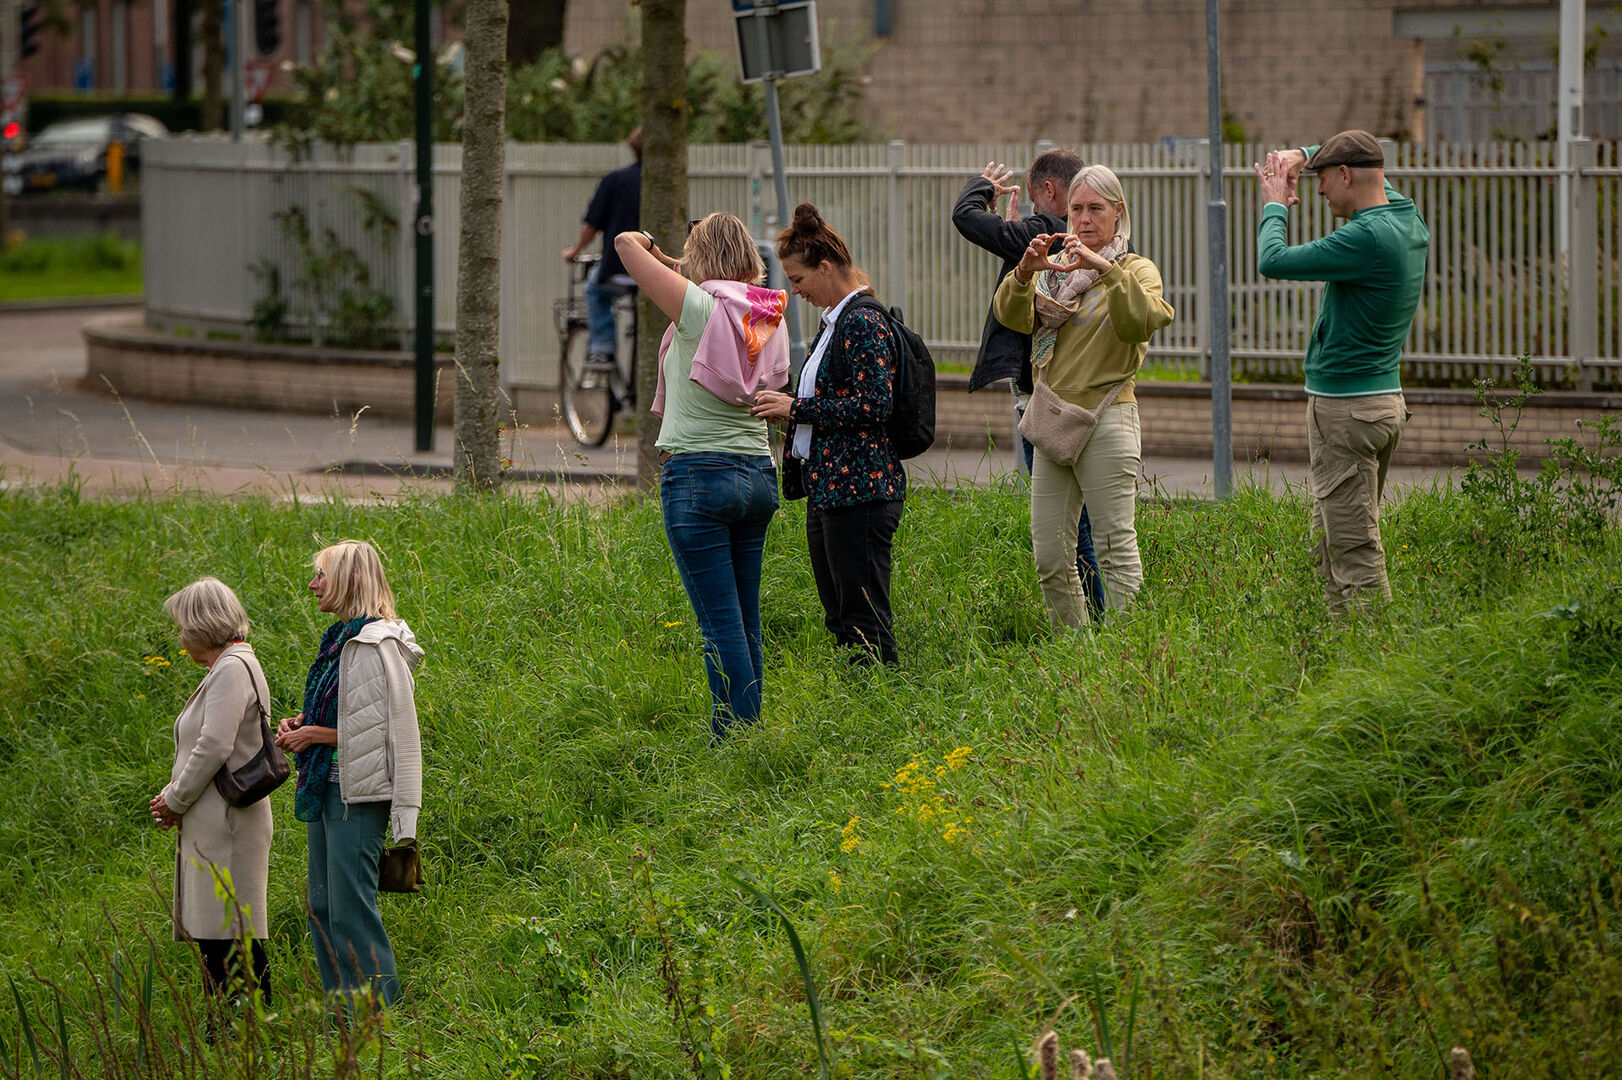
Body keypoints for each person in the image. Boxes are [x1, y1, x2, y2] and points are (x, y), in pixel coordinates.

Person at [614, 213, 790, 740]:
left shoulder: (698, 310)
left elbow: (624, 242)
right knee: (744, 621)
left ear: (702, 258)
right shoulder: (766, 315)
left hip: (699, 478)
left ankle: (734, 737)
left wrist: (654, 245)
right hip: (758, 474)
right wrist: (681, 263)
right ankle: (750, 733)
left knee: (719, 626)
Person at [993, 165, 1174, 631]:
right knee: (1051, 556)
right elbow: (1015, 320)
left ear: (1119, 213)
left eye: (1096, 208)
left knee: (1115, 549)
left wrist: (1106, 271)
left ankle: (1128, 658)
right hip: (1054, 420)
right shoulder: (1055, 270)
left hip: (1107, 417)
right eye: (1076, 208)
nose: (1085, 219)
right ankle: (1075, 657)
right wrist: (1023, 272)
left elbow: (1140, 321)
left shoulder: (1136, 269)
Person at [1253, 131, 1428, 606]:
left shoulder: (1365, 237)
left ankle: (1373, 664)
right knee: (1330, 541)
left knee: (1355, 552)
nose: (1320, 189)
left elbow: (1272, 261)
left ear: (1347, 175)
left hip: (1347, 412)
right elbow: (1366, 149)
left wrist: (1274, 204)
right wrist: (1303, 156)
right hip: (1380, 403)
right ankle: (1331, 649)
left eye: (1324, 179)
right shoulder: (1404, 216)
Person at [953, 150, 1106, 619]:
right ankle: (1102, 619)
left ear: (1049, 191)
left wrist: (982, 186)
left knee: (1067, 523)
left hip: (1042, 398)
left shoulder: (1047, 232)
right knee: (1086, 520)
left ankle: (1094, 619)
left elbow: (965, 218)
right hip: (1082, 394)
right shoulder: (1085, 247)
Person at [753, 203, 906, 666]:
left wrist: (795, 408)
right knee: (840, 614)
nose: (794, 291)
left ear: (825, 267)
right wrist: (789, 412)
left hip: (859, 490)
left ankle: (878, 702)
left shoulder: (861, 321)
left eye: (798, 280)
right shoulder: (834, 323)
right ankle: (859, 707)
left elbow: (873, 404)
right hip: (830, 488)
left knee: (863, 617)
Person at [274, 541, 423, 1008]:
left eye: (322, 574)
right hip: (327, 787)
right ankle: (343, 1022)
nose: (313, 584)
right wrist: (304, 723)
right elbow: (350, 713)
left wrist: (316, 735)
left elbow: (389, 734)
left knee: (351, 911)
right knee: (322, 908)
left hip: (357, 793)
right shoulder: (339, 638)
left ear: (352, 581)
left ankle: (380, 1020)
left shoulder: (379, 644)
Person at [150, 577, 274, 1016]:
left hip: (228, 824)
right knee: (221, 934)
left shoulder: (231, 669)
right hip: (218, 824)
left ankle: (246, 1031)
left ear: (201, 626)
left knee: (232, 932)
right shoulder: (229, 667)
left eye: (183, 627)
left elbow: (213, 746)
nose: (180, 638)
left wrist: (174, 799)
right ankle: (234, 1030)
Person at [561, 127, 643, 369]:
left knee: (595, 290)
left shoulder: (615, 181)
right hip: (659, 273)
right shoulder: (668, 186)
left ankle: (603, 350)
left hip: (621, 270)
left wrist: (574, 251)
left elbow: (592, 225)